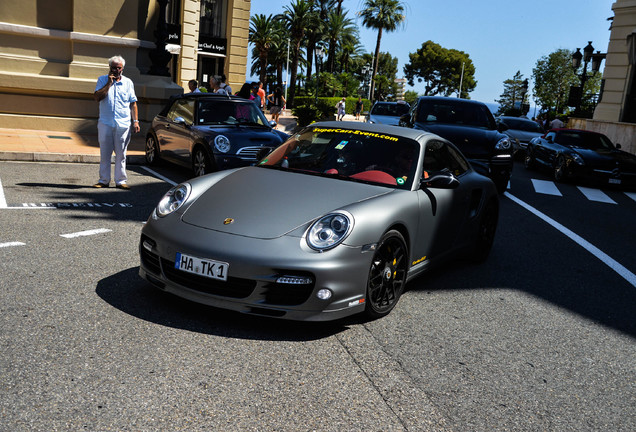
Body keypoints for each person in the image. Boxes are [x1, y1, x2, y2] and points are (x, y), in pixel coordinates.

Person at [92, 55, 139, 189]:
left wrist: (135, 121)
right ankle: (103, 180)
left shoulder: (128, 82)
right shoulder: (102, 80)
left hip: (123, 124)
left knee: (121, 154)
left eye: (118, 68)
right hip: (105, 123)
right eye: (113, 68)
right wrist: (109, 83)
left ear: (122, 68)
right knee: (105, 153)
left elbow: (133, 103)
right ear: (109, 68)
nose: (116, 70)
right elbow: (97, 97)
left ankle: (120, 181)